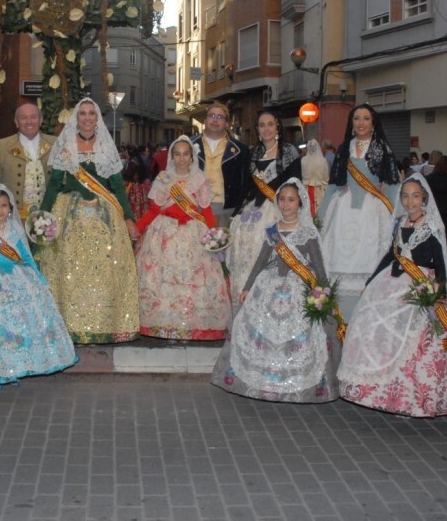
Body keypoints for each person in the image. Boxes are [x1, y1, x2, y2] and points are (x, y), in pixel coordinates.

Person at [337, 174, 447, 418]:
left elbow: (441, 262)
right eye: (405, 196)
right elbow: (391, 255)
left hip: (420, 285)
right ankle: (384, 392)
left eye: (415, 196)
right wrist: (371, 281)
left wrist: (441, 292)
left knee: (414, 341)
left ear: (423, 198)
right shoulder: (401, 222)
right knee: (377, 328)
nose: (410, 201)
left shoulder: (432, 226)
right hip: (393, 281)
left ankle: (412, 397)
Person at [210, 179, 340, 403]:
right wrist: (248, 287)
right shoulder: (272, 230)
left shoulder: (307, 232)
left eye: (291, 200)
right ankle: (261, 380)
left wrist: (323, 292)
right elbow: (261, 260)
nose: (286, 204)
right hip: (269, 284)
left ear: (300, 202)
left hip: (299, 287)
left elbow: (318, 265)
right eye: (282, 199)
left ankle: (293, 381)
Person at [36, 97, 140, 344]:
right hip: (69, 216)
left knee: (103, 270)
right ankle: (70, 325)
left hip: (104, 217)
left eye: (91, 113)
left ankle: (104, 324)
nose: (87, 118)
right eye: (82, 113)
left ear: (97, 118)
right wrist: (41, 218)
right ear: (76, 118)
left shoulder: (106, 146)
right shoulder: (65, 147)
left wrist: (128, 217)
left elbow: (116, 185)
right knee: (69, 269)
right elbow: (53, 186)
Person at [0, 185, 77, 387]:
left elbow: (26, 258)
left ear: (10, 208)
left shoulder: (15, 229)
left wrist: (39, 278)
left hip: (17, 277)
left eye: (4, 206)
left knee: (24, 320)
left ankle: (17, 366)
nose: (0, 210)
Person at [134, 136, 229, 340]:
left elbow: (206, 211)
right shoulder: (163, 179)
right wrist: (138, 228)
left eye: (186, 154)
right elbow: (153, 210)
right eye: (177, 154)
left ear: (192, 157)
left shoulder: (200, 179)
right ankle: (162, 323)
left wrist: (215, 235)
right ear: (171, 156)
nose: (182, 158)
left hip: (193, 233)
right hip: (164, 233)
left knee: (196, 279)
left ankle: (195, 326)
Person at [319, 104, 401, 323]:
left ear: (373, 122)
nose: (361, 123)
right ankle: (340, 313)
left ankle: (368, 307)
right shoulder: (344, 147)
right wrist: (320, 215)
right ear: (352, 122)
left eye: (366, 118)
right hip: (344, 209)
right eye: (357, 118)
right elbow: (334, 184)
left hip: (373, 210)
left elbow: (392, 184)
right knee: (339, 250)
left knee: (370, 252)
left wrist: (396, 216)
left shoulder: (382, 148)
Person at [227, 110, 303, 303]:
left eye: (270, 124)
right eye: (262, 125)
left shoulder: (289, 151)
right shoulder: (254, 153)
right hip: (253, 208)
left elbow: (295, 184)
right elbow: (247, 187)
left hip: (278, 209)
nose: (266, 129)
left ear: (277, 126)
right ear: (257, 129)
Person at [0, 103, 58, 219]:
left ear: (40, 120)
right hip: (14, 217)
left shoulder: (56, 143)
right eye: (23, 118)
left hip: (49, 215)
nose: (29, 122)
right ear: (16, 122)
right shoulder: (1, 146)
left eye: (33, 117)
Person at [191, 102, 250, 226]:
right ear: (205, 120)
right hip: (194, 205)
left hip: (226, 207)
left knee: (223, 243)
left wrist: (237, 208)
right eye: (211, 115)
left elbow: (244, 182)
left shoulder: (240, 149)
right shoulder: (189, 145)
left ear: (226, 123)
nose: (215, 120)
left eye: (220, 117)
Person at [122, 147, 152, 222]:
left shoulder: (132, 162)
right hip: (143, 187)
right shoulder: (138, 159)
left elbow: (128, 176)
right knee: (143, 207)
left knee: (135, 207)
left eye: (126, 152)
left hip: (135, 188)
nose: (125, 154)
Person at [301, 139, 329, 218]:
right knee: (320, 211)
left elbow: (302, 175)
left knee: (306, 210)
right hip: (319, 189)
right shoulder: (323, 161)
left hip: (306, 189)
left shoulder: (303, 160)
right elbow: (326, 178)